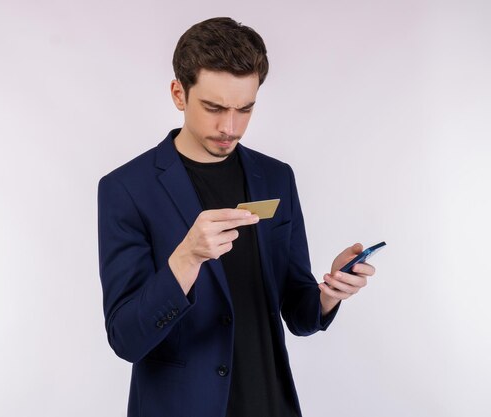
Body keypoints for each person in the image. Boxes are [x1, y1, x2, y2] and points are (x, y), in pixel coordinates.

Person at [97, 17, 376, 417]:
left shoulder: (277, 177)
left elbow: (298, 315)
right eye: (213, 108)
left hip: (269, 402)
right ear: (179, 93)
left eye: (245, 109)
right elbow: (126, 338)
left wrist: (329, 292)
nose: (230, 127)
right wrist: (186, 258)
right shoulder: (126, 188)